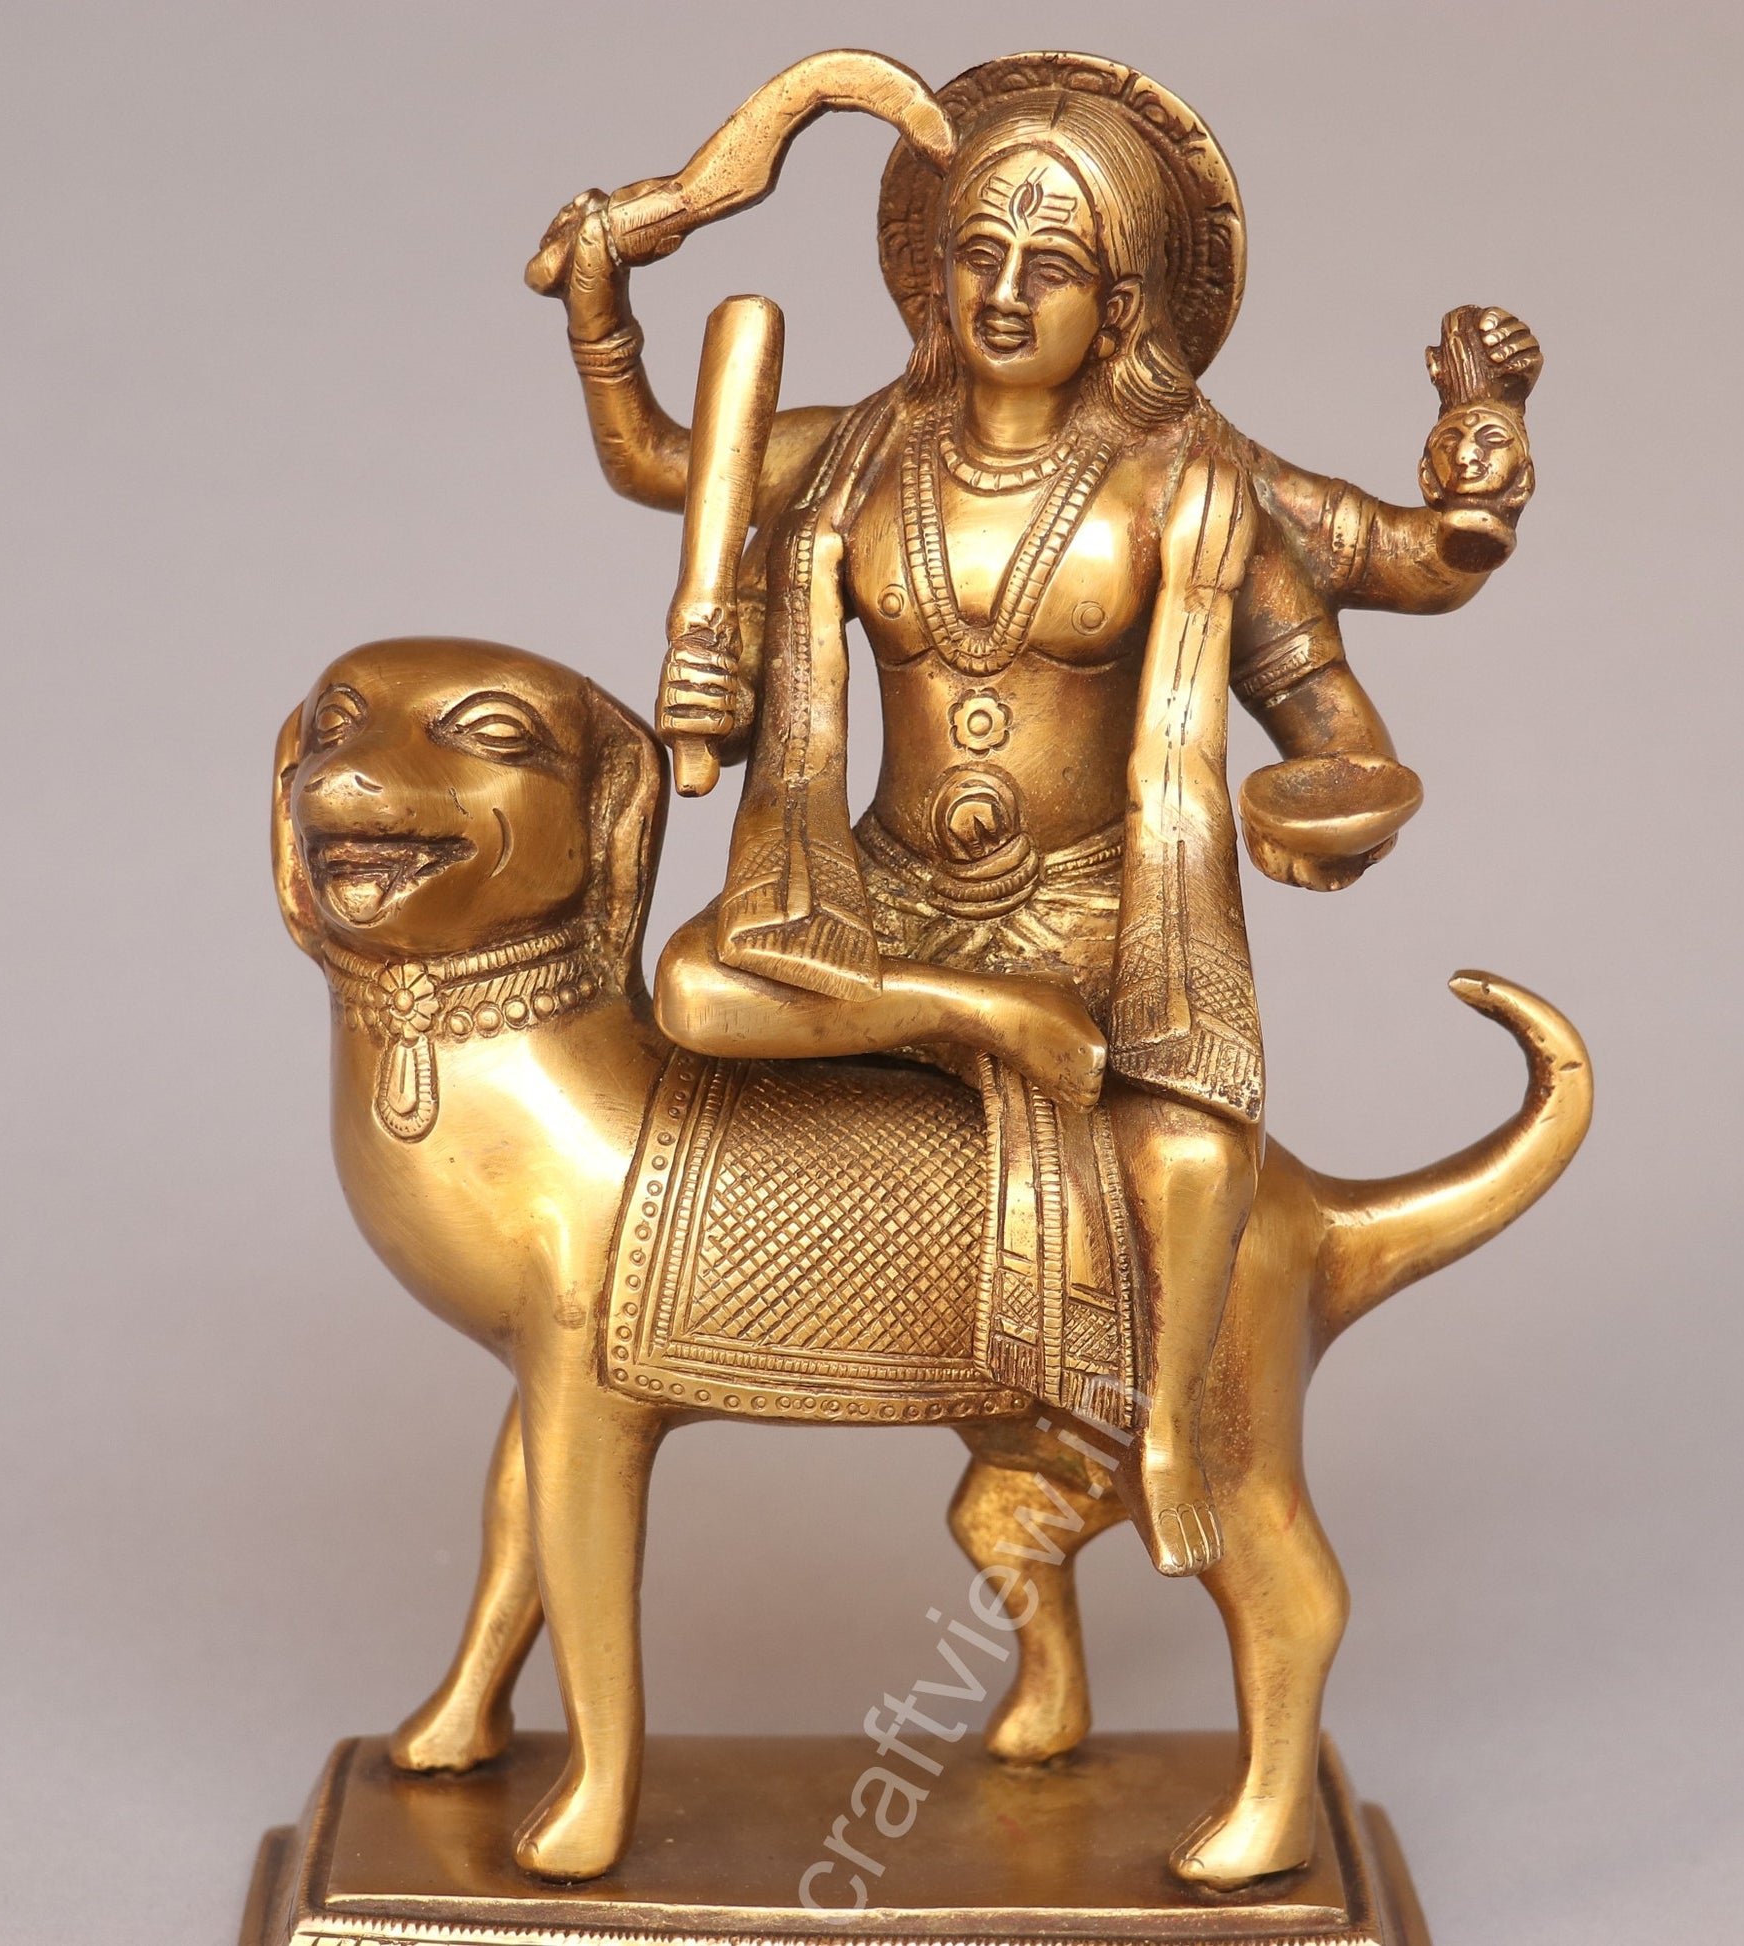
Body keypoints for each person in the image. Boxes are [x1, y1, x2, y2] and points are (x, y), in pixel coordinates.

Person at [533, 55, 1539, 1576]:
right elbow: (665, 462)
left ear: (1120, 306)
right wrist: (600, 295)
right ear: (931, 272)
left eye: (1049, 266)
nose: (1002, 294)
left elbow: (1374, 633)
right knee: (690, 991)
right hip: (878, 901)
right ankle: (979, 1021)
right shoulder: (860, 453)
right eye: (976, 253)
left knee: (1185, 1153)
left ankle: (1163, 1426)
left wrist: (1328, 791)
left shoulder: (1194, 483)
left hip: (1089, 913)